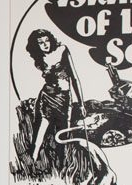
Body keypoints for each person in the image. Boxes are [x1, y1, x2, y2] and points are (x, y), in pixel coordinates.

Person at [25, 28, 86, 170]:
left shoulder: (62, 50)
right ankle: (30, 166)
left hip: (64, 99)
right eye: (40, 42)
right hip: (46, 97)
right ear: (36, 45)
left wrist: (81, 103)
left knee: (63, 135)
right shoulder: (38, 59)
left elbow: (74, 78)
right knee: (39, 134)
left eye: (46, 40)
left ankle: (61, 168)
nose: (45, 44)